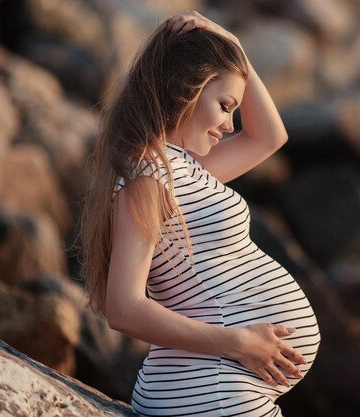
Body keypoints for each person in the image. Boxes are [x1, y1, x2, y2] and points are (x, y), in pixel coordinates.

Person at [79, 10, 321, 417]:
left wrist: (235, 50)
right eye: (225, 106)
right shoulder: (149, 175)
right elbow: (124, 307)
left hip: (219, 388)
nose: (229, 124)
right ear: (184, 89)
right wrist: (239, 343)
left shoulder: (184, 169)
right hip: (210, 391)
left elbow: (269, 136)